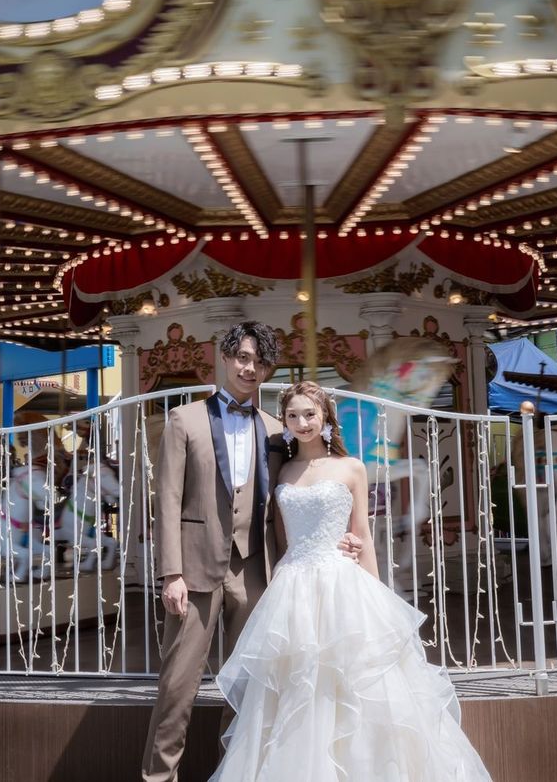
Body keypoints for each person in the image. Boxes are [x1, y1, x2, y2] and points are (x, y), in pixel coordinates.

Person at [210, 380, 493, 782]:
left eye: (310, 414)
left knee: (353, 684)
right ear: (285, 422)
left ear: (325, 416)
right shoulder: (282, 470)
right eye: (293, 416)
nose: (302, 422)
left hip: (341, 583)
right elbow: (280, 539)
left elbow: (362, 536)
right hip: (293, 585)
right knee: (295, 685)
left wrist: (377, 597)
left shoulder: (352, 467)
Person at [142, 324, 360, 782]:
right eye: (242, 357)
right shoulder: (185, 419)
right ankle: (159, 778)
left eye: (260, 362)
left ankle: (234, 773)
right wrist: (170, 573)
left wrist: (334, 539)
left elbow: (300, 491)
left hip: (256, 571)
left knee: (248, 688)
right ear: (225, 358)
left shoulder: (277, 431)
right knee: (177, 685)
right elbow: (167, 501)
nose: (250, 368)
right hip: (194, 570)